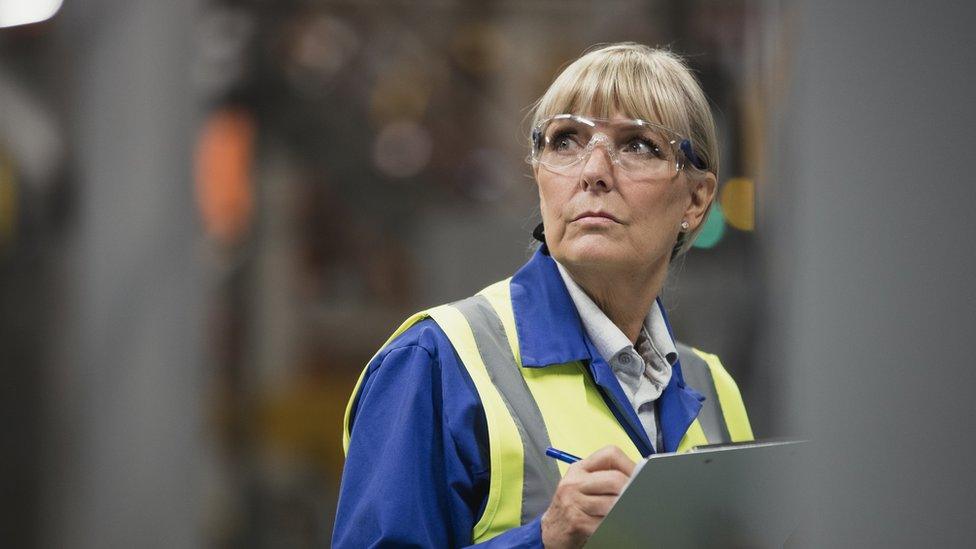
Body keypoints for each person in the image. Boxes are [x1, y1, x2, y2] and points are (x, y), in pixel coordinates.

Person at [333, 42, 754, 548]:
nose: (593, 171)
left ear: (696, 199)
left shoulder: (715, 391)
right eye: (566, 141)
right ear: (539, 176)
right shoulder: (436, 364)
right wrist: (544, 540)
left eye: (638, 144)